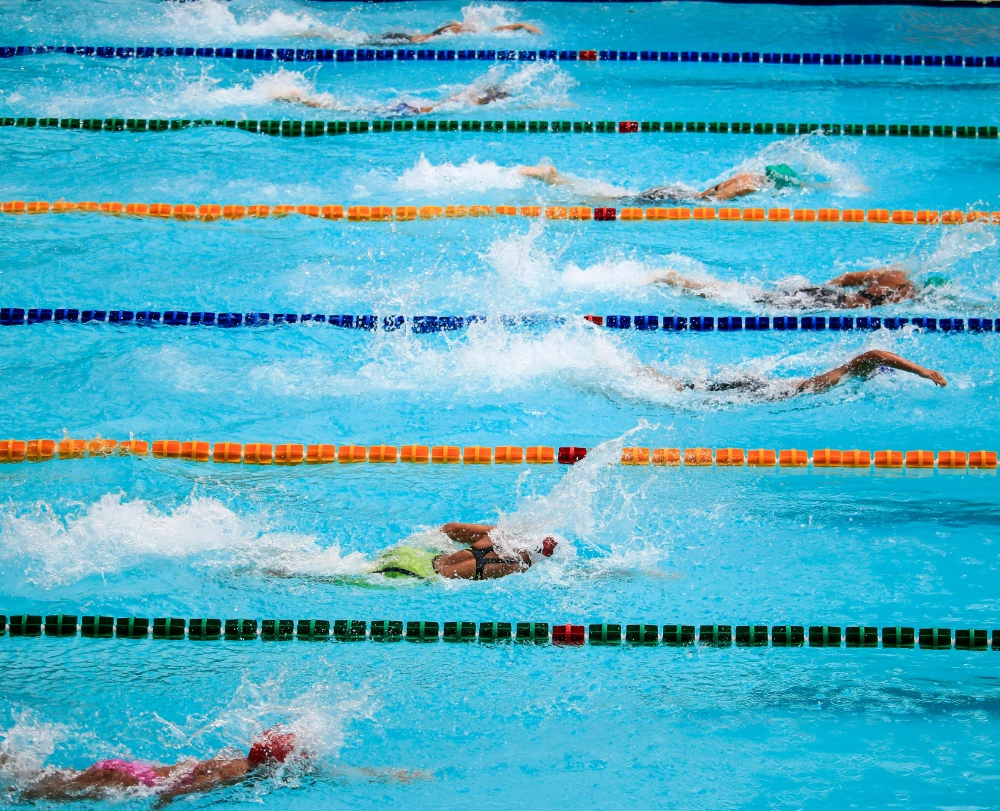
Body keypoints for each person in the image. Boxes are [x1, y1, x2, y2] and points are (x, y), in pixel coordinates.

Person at [8, 727, 418, 804]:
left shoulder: (253, 763)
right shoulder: (232, 772)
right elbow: (177, 789)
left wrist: (393, 776)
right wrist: (159, 805)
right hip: (132, 778)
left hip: (137, 768)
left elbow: (334, 773)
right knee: (29, 794)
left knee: (42, 778)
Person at [637, 349, 946, 400]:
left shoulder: (843, 380)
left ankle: (649, 375)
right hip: (763, 391)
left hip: (766, 388)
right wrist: (920, 371)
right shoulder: (844, 374)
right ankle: (645, 376)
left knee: (689, 388)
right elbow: (874, 355)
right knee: (681, 390)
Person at [650, 266, 941, 309]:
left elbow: (846, 278)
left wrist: (823, 288)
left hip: (825, 295)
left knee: (752, 296)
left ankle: (686, 282)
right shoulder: (909, 293)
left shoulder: (893, 273)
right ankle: (682, 282)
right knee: (752, 302)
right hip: (829, 304)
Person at [518, 162, 802, 202]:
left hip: (678, 191)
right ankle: (553, 180)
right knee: (610, 202)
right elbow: (711, 202)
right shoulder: (749, 185)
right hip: (680, 198)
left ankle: (556, 178)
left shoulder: (746, 175)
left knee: (619, 197)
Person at [369, 522, 557, 581]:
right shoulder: (518, 568)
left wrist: (450, 551)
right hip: (412, 576)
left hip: (410, 555)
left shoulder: (497, 535)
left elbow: (451, 529)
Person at [276, 83, 510, 114]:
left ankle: (300, 99)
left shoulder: (464, 97)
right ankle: (298, 99)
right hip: (408, 112)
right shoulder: (468, 103)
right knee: (344, 111)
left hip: (407, 108)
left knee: (346, 109)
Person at [373, 21, 542, 45]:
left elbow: (491, 30)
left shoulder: (457, 29)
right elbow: (492, 31)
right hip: (403, 42)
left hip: (406, 39)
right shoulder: (453, 31)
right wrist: (520, 25)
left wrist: (521, 25)